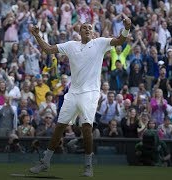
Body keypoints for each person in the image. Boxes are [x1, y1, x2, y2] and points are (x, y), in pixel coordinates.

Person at [28, 16, 132, 177]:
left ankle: (88, 165)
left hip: (90, 93)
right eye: (85, 27)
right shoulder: (71, 45)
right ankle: (45, 162)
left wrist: (127, 27)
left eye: (90, 27)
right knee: (59, 127)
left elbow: (119, 41)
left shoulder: (100, 43)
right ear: (79, 31)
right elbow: (48, 49)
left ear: (93, 31)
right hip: (73, 93)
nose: (88, 29)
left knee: (86, 127)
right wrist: (36, 35)